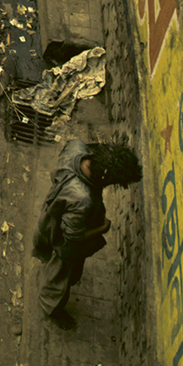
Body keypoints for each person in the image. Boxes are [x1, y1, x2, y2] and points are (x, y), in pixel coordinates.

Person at [33, 139, 142, 330]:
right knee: (59, 278)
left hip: (52, 213)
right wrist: (102, 228)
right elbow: (73, 236)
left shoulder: (76, 147)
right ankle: (51, 308)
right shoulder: (82, 199)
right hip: (62, 239)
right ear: (105, 178)